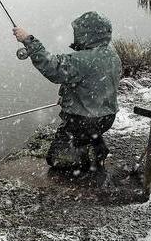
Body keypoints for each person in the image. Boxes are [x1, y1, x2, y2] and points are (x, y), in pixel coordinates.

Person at [13, 11, 121, 171]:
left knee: (56, 160)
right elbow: (93, 84)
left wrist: (29, 41)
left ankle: (87, 159)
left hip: (83, 121)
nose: (75, 35)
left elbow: (53, 67)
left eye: (79, 32)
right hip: (106, 118)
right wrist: (70, 98)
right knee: (88, 133)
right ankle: (95, 145)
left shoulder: (83, 59)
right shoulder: (112, 55)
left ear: (87, 34)